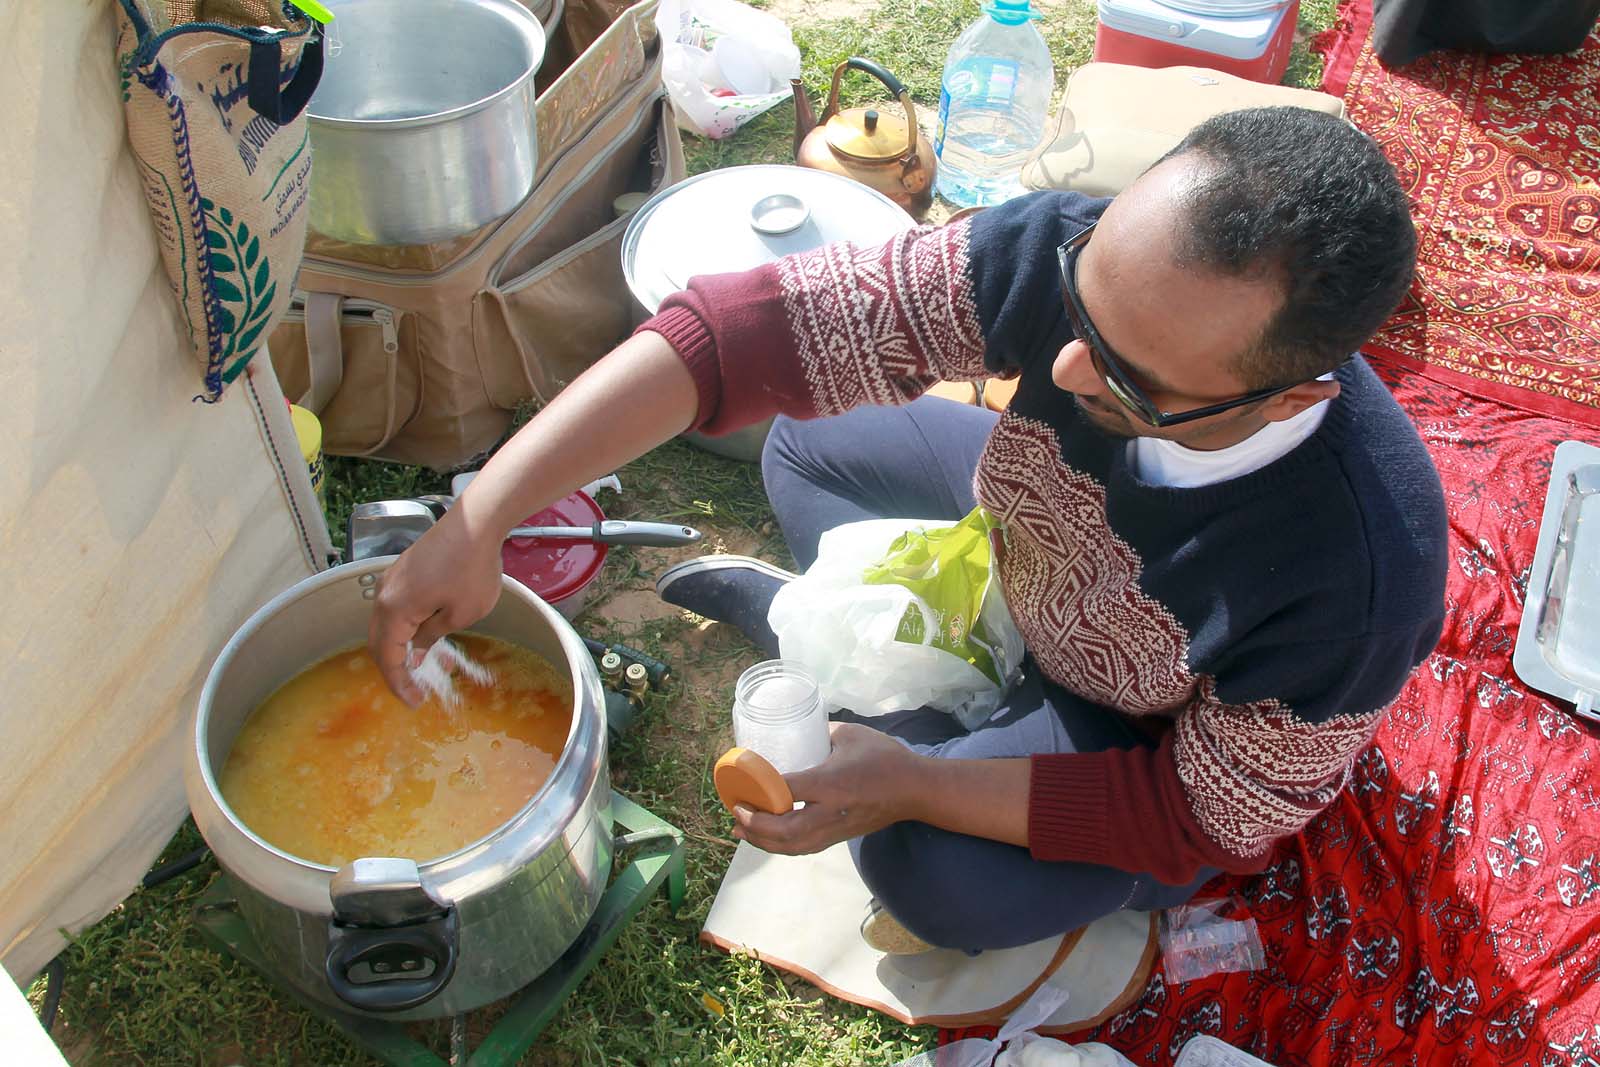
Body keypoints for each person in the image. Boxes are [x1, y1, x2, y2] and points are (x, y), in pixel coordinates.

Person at [369, 107, 1447, 956]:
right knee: (804, 441)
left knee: (929, 873)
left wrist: (920, 786)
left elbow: (1193, 817)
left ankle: (910, 713)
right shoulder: (1079, 254)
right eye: (1078, 309)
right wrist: (482, 515)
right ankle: (886, 664)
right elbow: (746, 334)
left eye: (1128, 381)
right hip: (1021, 554)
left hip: (1132, 728)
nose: (1065, 372)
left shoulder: (1360, 575)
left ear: (1286, 400)